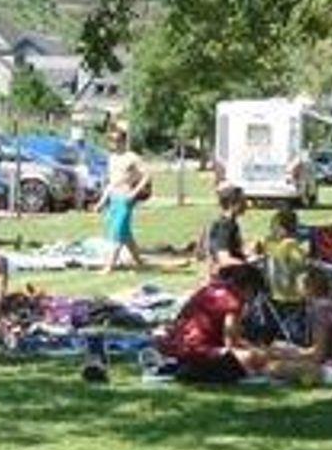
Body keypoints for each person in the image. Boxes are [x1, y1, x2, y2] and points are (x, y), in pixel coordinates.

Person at [156, 261, 281, 384]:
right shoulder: (234, 300)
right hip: (203, 352)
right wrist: (261, 350)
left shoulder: (209, 289)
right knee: (258, 358)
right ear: (249, 287)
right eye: (255, 293)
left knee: (261, 354)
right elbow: (231, 343)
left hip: (180, 347)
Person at [100, 123, 151, 274]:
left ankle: (109, 267)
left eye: (116, 140)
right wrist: (102, 201)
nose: (113, 144)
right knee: (125, 234)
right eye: (111, 140)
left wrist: (134, 193)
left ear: (123, 141)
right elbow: (111, 183)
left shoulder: (132, 157)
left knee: (116, 232)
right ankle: (139, 262)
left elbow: (147, 176)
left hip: (125, 199)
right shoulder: (112, 159)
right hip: (113, 199)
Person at [262, 207, 310, 303]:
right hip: (291, 296)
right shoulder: (290, 245)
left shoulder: (268, 242)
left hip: (273, 293)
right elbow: (301, 267)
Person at [206, 184, 251, 270]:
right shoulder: (223, 226)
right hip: (227, 274)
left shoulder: (232, 224)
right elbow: (224, 260)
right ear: (232, 205)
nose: (246, 205)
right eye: (243, 201)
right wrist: (247, 265)